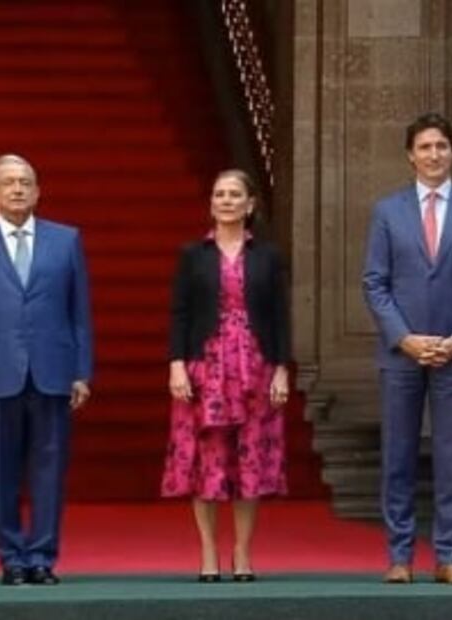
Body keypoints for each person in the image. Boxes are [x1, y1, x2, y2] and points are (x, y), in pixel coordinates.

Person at [362, 112, 452, 585]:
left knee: (450, 455)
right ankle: (399, 556)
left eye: (441, 146)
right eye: (425, 147)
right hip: (402, 353)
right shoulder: (387, 211)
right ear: (410, 155)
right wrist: (405, 338)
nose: (434, 155)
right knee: (398, 454)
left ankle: (448, 556)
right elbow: (375, 284)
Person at [0, 154, 93, 586]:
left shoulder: (66, 240)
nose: (17, 189)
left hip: (53, 367)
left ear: (38, 191)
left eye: (26, 182)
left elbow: (80, 312)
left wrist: (82, 371)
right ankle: (11, 556)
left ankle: (43, 557)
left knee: (50, 469)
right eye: (9, 183)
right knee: (2, 471)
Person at [161, 169, 291, 583]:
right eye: (220, 194)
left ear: (250, 204)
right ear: (211, 203)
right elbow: (179, 312)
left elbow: (280, 317)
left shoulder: (268, 257)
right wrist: (177, 364)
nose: (227, 201)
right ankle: (207, 551)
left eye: (235, 194)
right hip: (206, 367)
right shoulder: (192, 255)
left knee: (248, 460)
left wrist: (282, 370)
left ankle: (242, 552)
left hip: (255, 365)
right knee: (208, 461)